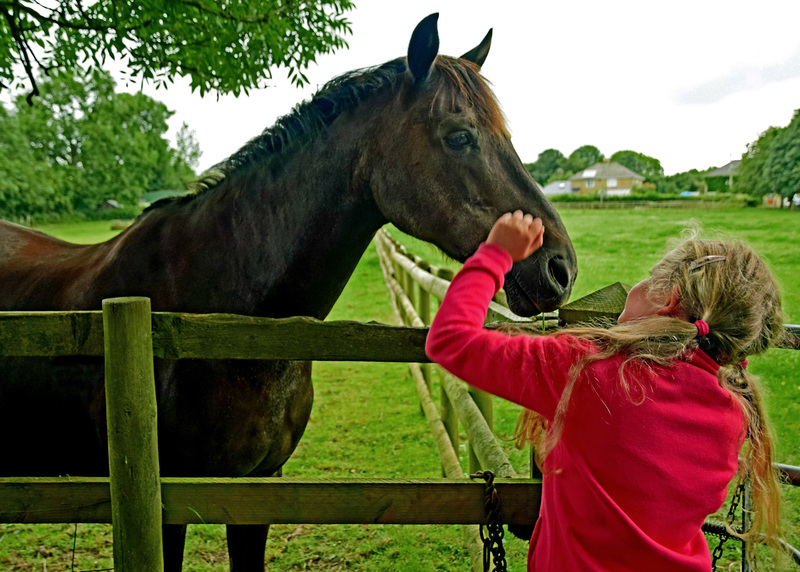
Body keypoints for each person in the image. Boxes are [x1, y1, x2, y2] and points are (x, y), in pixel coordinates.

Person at [426, 211, 785, 571]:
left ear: (669, 299)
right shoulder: (734, 412)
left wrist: (496, 254)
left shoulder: (586, 371)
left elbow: (450, 339)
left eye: (648, 278)